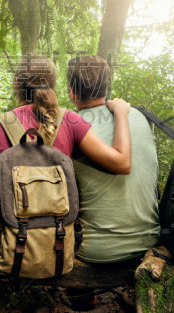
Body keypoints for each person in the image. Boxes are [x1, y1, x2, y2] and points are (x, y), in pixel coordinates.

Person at [0, 53, 133, 230]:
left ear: (17, 83)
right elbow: (122, 163)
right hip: (57, 239)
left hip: (10, 241)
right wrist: (120, 112)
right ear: (52, 86)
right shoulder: (70, 120)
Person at [67, 55, 160, 264]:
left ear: (72, 92)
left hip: (97, 251)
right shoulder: (140, 116)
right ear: (105, 88)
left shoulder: (71, 126)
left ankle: (83, 296)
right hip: (150, 241)